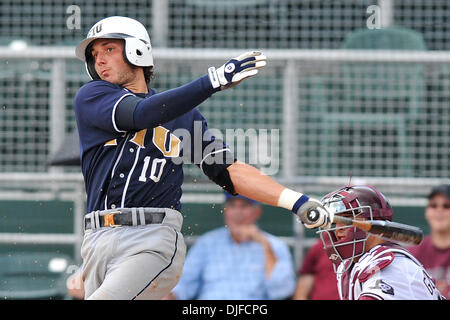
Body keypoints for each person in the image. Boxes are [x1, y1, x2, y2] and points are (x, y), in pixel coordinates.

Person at [73, 16, 331, 300]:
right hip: (96, 238)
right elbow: (141, 113)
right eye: (94, 54)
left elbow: (229, 171)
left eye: (109, 49)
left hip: (151, 238)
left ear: (138, 50)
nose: (99, 60)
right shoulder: (92, 96)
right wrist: (213, 81)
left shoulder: (183, 118)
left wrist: (298, 202)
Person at [314, 184, 445, 300]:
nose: (338, 230)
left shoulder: (390, 265)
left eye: (348, 219)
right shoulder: (355, 263)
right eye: (336, 222)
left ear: (375, 222)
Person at [166, 193, 296, 300]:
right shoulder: (207, 243)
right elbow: (185, 284)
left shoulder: (274, 245)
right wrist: (170, 295)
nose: (237, 213)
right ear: (225, 211)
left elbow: (282, 291)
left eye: (244, 206)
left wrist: (265, 245)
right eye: (232, 206)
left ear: (257, 212)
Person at [408, 184, 450, 299]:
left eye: (446, 206)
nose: (439, 210)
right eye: (433, 205)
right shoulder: (412, 255)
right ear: (427, 212)